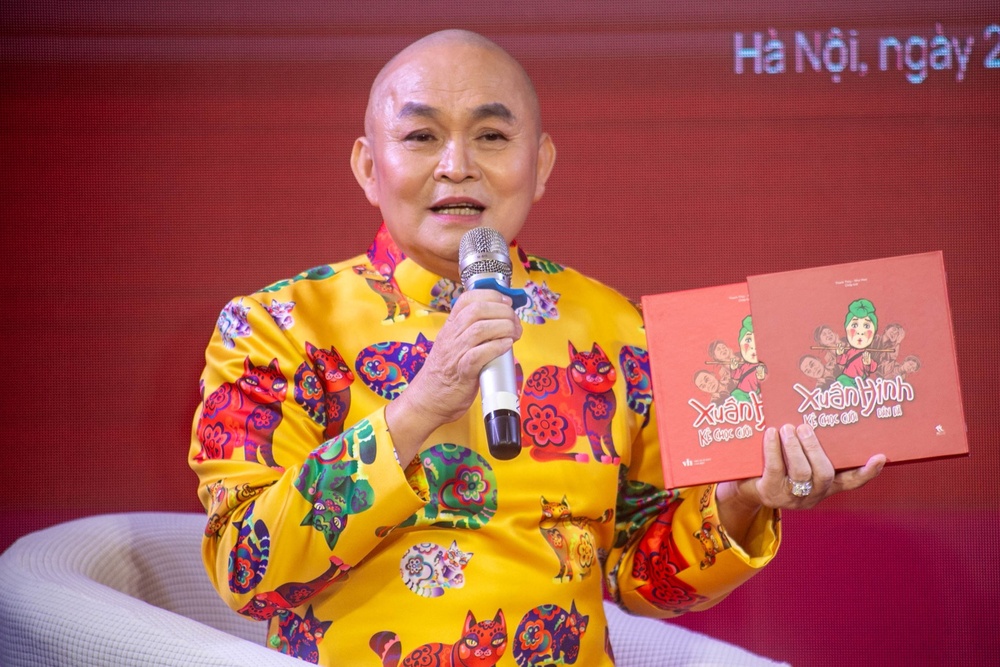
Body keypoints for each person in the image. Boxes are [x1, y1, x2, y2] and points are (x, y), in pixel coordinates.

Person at [189, 29, 886, 665]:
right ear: (369, 167)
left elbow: (643, 574)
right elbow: (245, 571)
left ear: (541, 163)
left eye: (491, 136)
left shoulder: (614, 329)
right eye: (422, 136)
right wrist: (418, 409)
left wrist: (742, 500)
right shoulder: (277, 326)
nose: (457, 166)